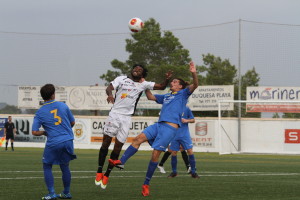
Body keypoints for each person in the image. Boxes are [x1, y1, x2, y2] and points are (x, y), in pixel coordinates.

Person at [110, 61, 198, 196]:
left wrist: (193, 72)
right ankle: (121, 161)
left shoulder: (183, 94)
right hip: (159, 125)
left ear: (180, 86)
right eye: (172, 81)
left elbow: (195, 85)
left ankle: (146, 184)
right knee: (137, 139)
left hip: (169, 128)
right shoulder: (167, 96)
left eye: (175, 82)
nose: (172, 83)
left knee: (155, 155)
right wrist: (144, 85)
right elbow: (150, 96)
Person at [95, 64, 172, 189]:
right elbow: (109, 88)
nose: (136, 70)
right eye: (135, 68)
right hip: (115, 114)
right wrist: (109, 95)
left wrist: (167, 79)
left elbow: (162, 86)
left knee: (118, 148)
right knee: (106, 143)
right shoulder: (121, 79)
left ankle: (107, 174)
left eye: (140, 70)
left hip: (127, 118)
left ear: (142, 74)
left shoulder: (143, 84)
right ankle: (99, 171)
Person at [32, 84, 76, 200]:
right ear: (53, 95)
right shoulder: (63, 106)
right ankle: (66, 192)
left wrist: (44, 132)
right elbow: (72, 123)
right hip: (68, 140)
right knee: (65, 166)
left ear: (42, 97)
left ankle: (51, 193)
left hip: (54, 141)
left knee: (47, 165)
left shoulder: (40, 112)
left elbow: (34, 132)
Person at [166, 106, 199, 178]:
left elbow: (193, 120)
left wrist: (186, 120)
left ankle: (193, 172)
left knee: (190, 151)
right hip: (174, 134)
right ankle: (174, 172)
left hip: (184, 135)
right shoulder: (171, 109)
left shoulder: (186, 109)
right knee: (174, 152)